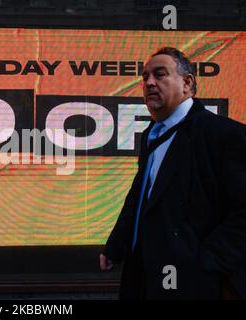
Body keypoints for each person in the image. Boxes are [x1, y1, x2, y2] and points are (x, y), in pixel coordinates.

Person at [100, 47, 246, 299]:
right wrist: (116, 246)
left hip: (193, 283)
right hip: (144, 273)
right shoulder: (151, 135)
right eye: (145, 77)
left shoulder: (223, 133)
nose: (149, 83)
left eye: (160, 74)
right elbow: (141, 197)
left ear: (187, 83)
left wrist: (209, 261)